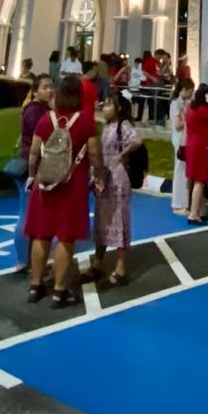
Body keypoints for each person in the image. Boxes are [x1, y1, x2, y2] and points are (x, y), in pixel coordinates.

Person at [24, 75, 101, 307]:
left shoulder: (46, 119)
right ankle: (59, 291)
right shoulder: (85, 121)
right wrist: (99, 175)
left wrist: (32, 175)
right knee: (65, 238)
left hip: (45, 183)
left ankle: (35, 286)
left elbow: (34, 153)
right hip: (72, 185)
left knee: (41, 234)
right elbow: (95, 154)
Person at [87, 91, 141, 284]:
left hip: (117, 178)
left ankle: (120, 267)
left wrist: (121, 155)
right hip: (105, 178)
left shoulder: (122, 125)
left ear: (118, 108)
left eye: (109, 105)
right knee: (103, 220)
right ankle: (97, 262)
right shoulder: (107, 126)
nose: (104, 108)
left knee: (119, 219)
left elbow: (137, 140)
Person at [12, 73, 53, 274]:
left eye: (51, 86)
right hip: (32, 168)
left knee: (28, 213)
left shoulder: (34, 109)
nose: (50, 90)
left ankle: (27, 259)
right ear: (35, 91)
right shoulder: (37, 112)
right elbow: (41, 143)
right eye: (45, 87)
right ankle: (24, 260)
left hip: (30, 165)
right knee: (28, 214)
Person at [184, 82, 208, 223]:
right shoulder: (203, 110)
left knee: (194, 178)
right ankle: (193, 214)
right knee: (200, 180)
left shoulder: (190, 108)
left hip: (191, 145)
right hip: (201, 147)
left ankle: (200, 210)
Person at [168, 76, 192, 213]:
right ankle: (177, 204)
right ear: (184, 89)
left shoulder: (184, 103)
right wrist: (189, 117)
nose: (191, 94)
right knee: (179, 171)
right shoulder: (176, 104)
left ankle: (184, 202)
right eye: (190, 91)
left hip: (185, 139)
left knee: (184, 171)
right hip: (179, 139)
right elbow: (177, 125)